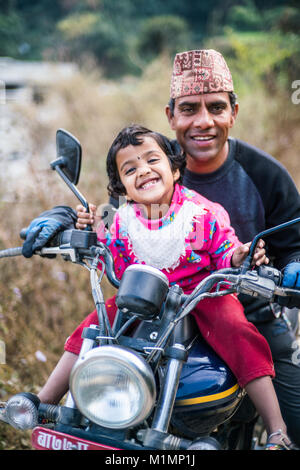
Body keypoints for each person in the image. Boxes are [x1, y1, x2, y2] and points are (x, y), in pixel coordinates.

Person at [21, 49, 300, 447]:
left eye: (216, 107)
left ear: (233, 112)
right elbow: (105, 224)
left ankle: (278, 431)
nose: (203, 121)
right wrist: (67, 219)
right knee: (92, 333)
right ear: (171, 117)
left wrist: (283, 264)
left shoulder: (262, 175)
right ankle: (44, 405)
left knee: (288, 400)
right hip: (149, 309)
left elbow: (274, 245)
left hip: (240, 307)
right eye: (189, 109)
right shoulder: (144, 162)